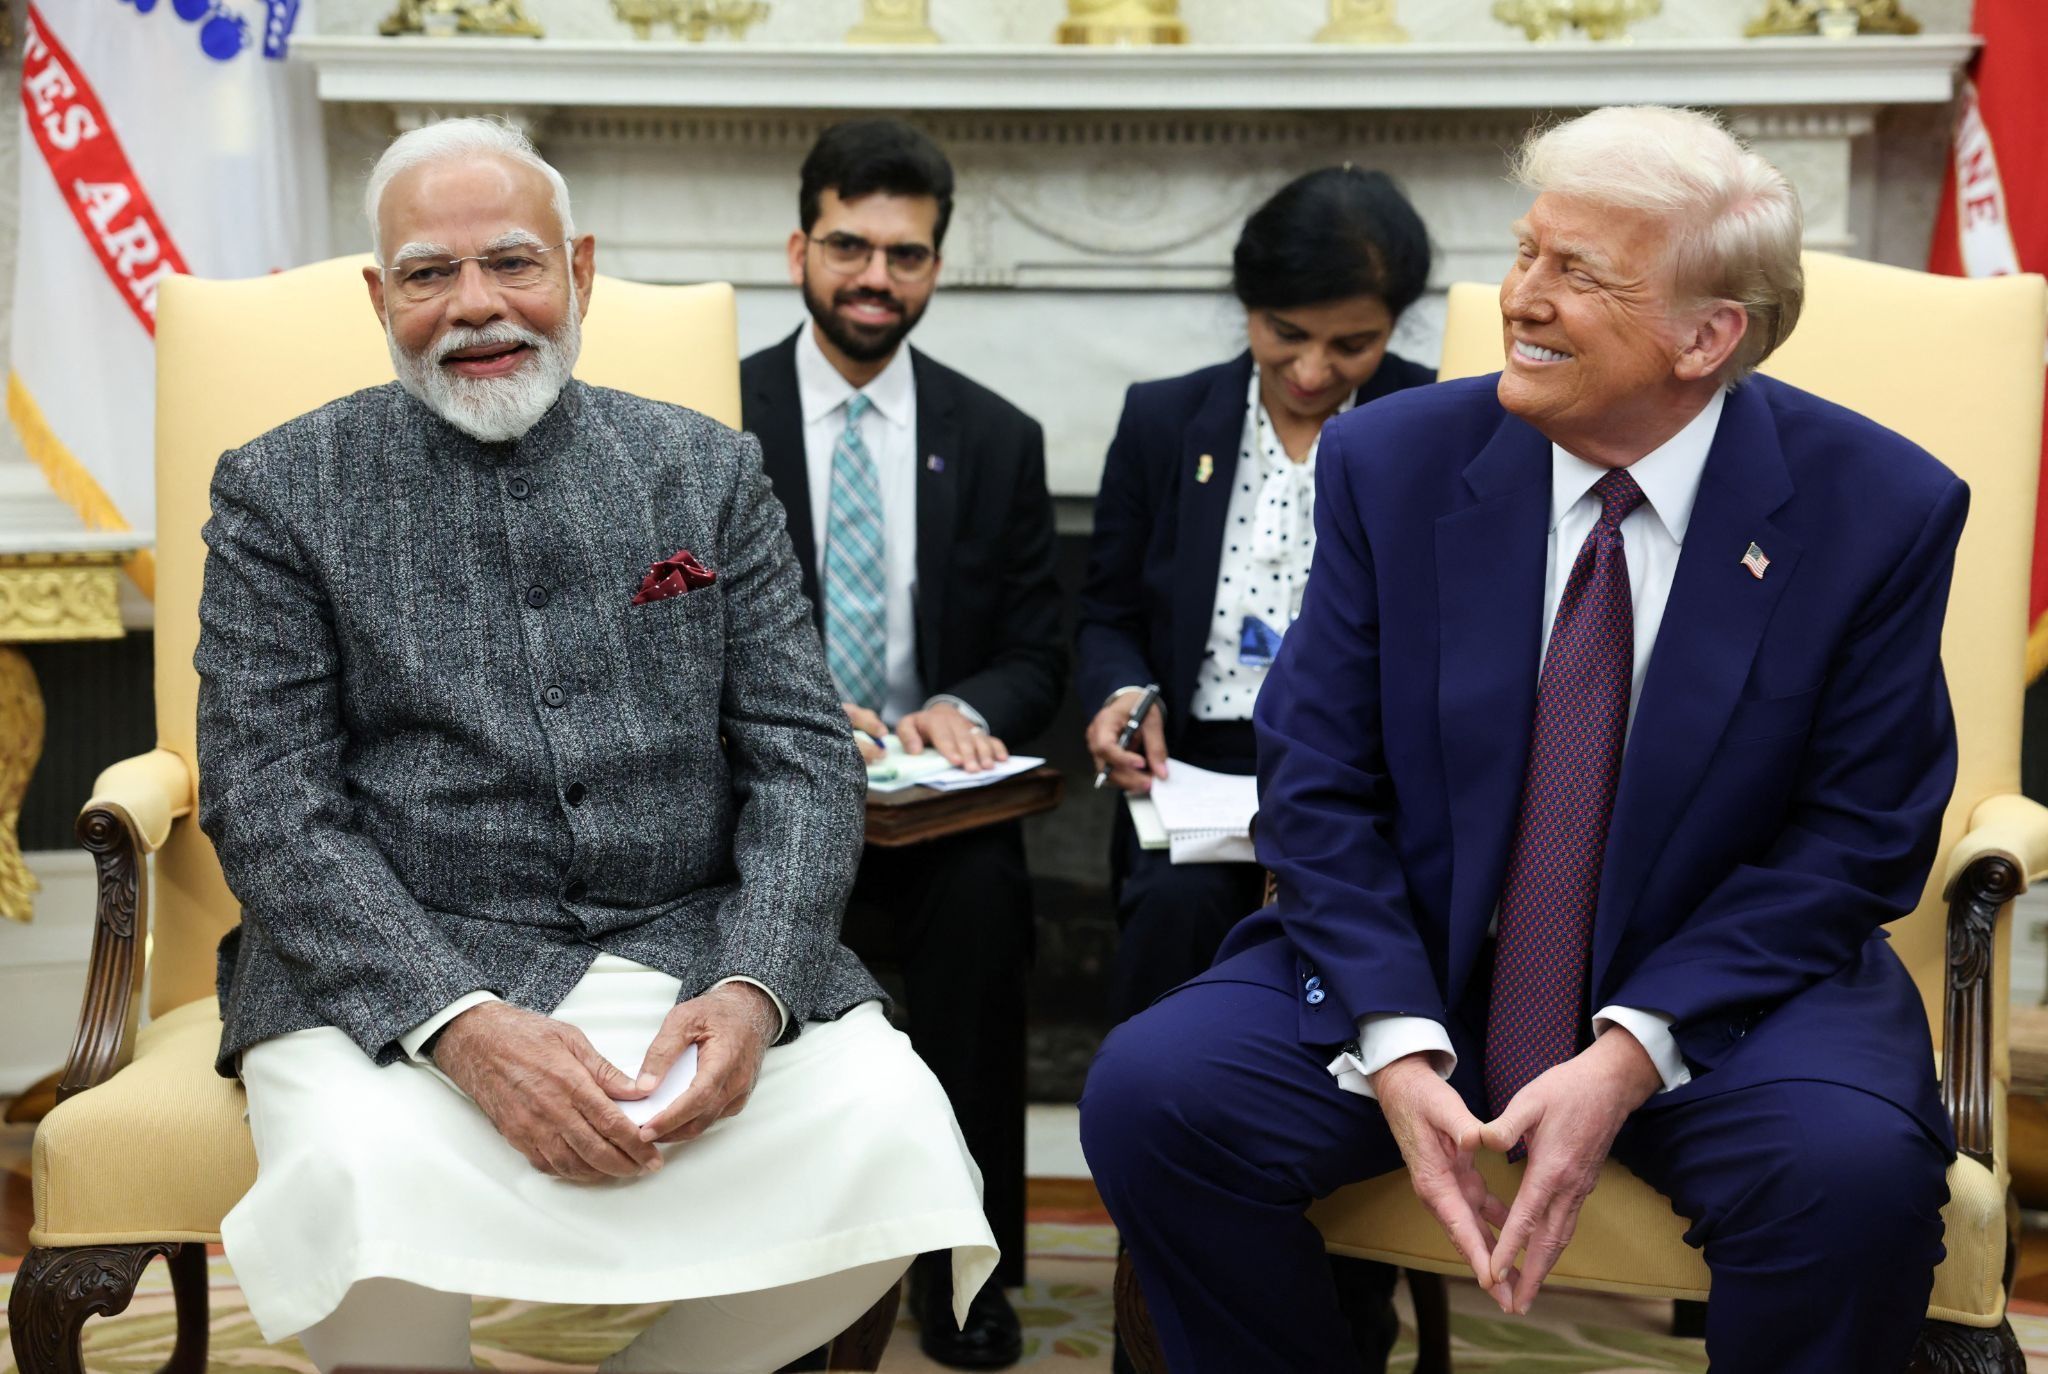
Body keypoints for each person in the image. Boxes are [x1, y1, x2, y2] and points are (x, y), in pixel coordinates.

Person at [1081, 105, 1961, 1373]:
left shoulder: (1876, 507)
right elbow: (1316, 780)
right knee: (1157, 1097)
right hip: (1425, 954)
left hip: (1723, 987)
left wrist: (1628, 1051)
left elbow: (1858, 839)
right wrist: (1391, 1037)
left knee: (1847, 1178)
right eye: (1525, 252)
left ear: (1704, 336)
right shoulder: (1393, 458)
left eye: (1577, 274)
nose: (1518, 299)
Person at [195, 116, 996, 1374]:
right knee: (353, 1173)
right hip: (397, 964)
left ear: (578, 269)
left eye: (511, 263)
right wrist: (456, 1024)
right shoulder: (279, 490)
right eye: (427, 274)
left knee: (895, 1130)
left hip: (685, 945)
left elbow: (799, 755)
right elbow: (266, 799)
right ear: (377, 295)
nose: (476, 306)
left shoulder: (707, 472)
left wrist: (756, 983)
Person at [1074, 165, 1434, 1370]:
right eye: (1289, 336)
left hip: (1366, 794)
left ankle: (1345, 1293)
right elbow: (1107, 608)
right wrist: (1121, 695)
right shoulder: (1164, 415)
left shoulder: (1443, 425)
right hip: (1196, 772)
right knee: (1172, 920)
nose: (1317, 371)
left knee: (1363, 972)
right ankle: (1158, 1283)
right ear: (1245, 310)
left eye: (1353, 343)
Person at [741, 118, 1065, 1370]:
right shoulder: (712, 421)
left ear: (937, 264)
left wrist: (964, 705)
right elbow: (652, 638)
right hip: (762, 802)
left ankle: (966, 1276)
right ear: (799, 247)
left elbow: (1039, 650)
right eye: (849, 246)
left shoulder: (996, 436)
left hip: (933, 811)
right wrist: (787, 699)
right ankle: (768, 1271)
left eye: (905, 253)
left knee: (986, 914)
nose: (875, 276)